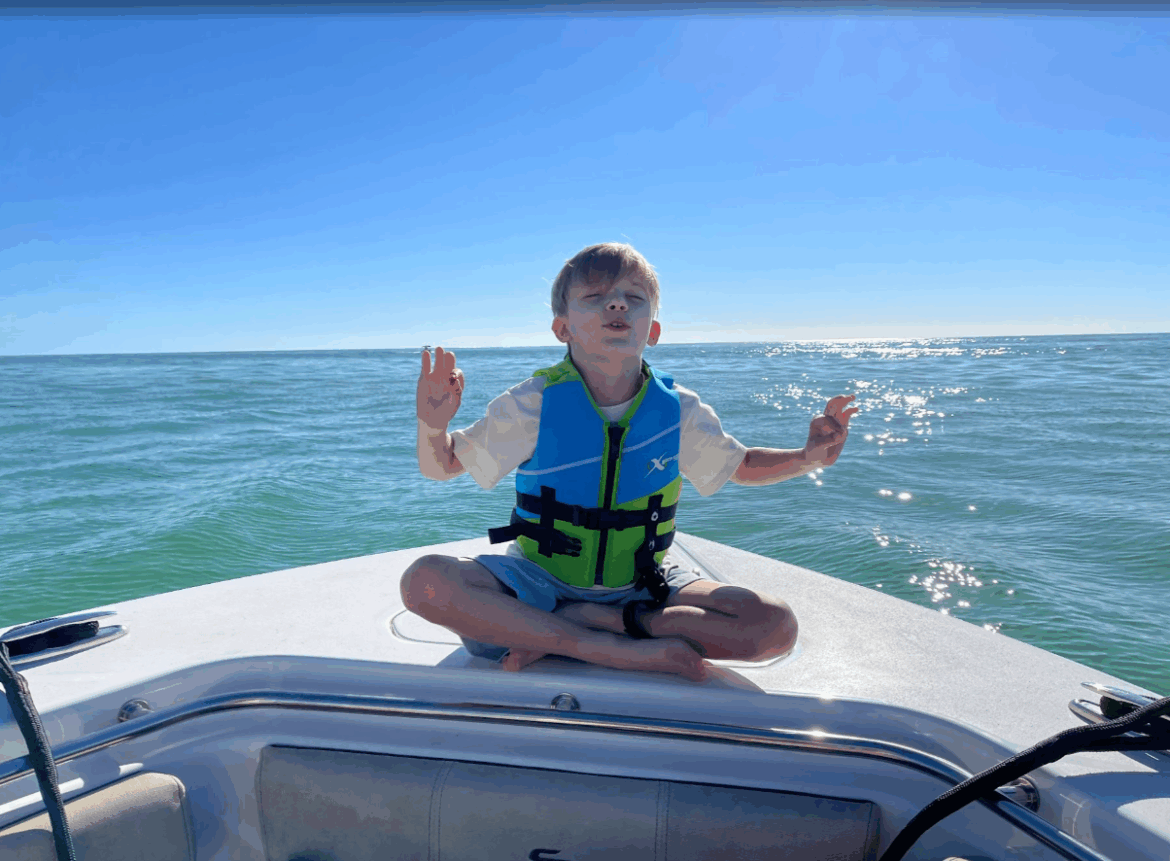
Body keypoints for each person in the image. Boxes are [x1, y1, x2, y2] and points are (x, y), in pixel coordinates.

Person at [401, 243, 857, 682]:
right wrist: (431, 425)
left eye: (633, 299)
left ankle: (583, 626)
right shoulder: (531, 404)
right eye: (595, 297)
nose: (616, 305)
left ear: (653, 330)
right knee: (425, 582)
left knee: (773, 627)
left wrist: (807, 458)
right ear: (562, 328)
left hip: (645, 584)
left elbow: (740, 465)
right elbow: (442, 466)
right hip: (538, 579)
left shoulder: (678, 408)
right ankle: (599, 646)